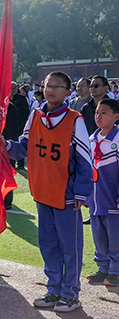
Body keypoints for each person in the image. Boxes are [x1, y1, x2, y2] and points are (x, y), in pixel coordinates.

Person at [0, 71, 93, 312]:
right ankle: (54, 289)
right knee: (48, 245)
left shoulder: (74, 119)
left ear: (68, 92)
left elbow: (84, 159)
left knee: (70, 247)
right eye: (49, 85)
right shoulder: (35, 115)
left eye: (58, 87)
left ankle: (70, 293)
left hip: (66, 195)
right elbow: (24, 147)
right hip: (42, 191)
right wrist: (5, 145)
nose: (52, 90)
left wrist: (81, 192)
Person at [85, 98, 119, 287]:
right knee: (98, 234)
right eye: (97, 112)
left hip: (112, 198)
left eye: (104, 113)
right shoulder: (91, 139)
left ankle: (116, 270)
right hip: (95, 198)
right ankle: (103, 268)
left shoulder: (118, 139)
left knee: (115, 236)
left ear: (116, 116)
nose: (98, 116)